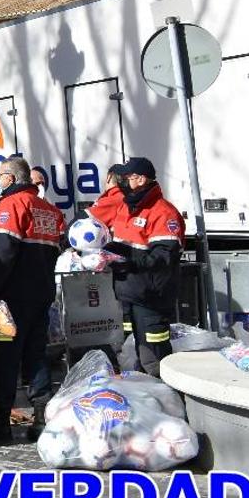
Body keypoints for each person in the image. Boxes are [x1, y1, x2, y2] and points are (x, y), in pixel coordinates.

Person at [0, 156, 66, 442]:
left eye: (0, 175)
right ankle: (41, 416)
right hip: (40, 295)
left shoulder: (11, 206)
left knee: (5, 358)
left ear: (11, 179)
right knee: (36, 355)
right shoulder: (50, 211)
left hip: (8, 301)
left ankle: (0, 419)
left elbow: (1, 257)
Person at [106, 157, 184, 377]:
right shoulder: (127, 207)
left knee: (154, 360)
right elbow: (123, 243)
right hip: (128, 293)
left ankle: (172, 404)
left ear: (140, 179)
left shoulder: (163, 212)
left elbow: (162, 257)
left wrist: (129, 262)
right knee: (134, 357)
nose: (120, 182)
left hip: (151, 297)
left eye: (126, 177)